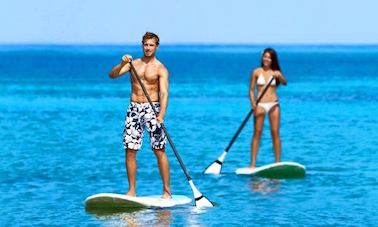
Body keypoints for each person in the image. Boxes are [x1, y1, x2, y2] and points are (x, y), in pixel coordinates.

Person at [109, 32, 171, 198]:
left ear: (156, 47)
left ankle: (166, 190)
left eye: (151, 45)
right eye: (145, 44)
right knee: (130, 149)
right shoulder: (133, 64)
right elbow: (112, 75)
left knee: (159, 150)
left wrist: (162, 113)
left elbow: (164, 93)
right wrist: (122, 62)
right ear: (142, 45)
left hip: (153, 110)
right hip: (134, 108)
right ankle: (132, 190)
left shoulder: (160, 68)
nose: (148, 48)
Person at [249, 48, 287, 168]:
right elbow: (251, 90)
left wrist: (279, 76)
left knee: (275, 133)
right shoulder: (256, 72)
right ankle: (253, 163)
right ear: (262, 58)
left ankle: (277, 162)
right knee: (257, 133)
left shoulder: (275, 72)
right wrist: (253, 103)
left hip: (273, 104)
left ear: (272, 60)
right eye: (265, 56)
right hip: (260, 105)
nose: (266, 59)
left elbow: (285, 83)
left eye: (269, 57)